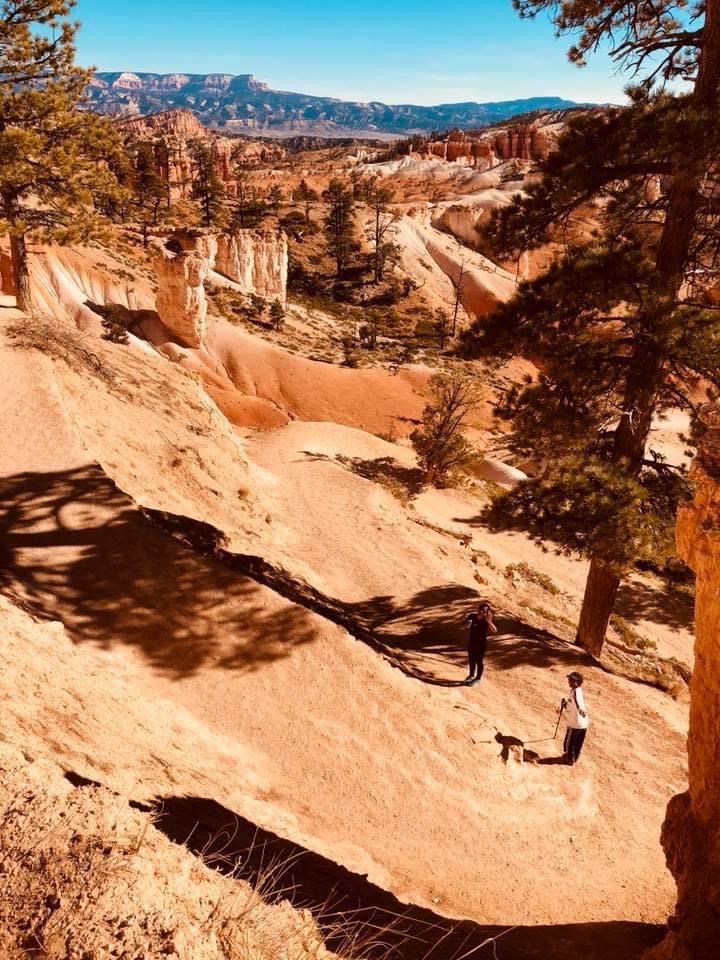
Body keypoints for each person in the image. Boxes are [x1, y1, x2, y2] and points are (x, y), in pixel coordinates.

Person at [463, 602, 497, 684]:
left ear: (486, 613)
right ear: (478, 609)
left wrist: (489, 621)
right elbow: (465, 626)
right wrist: (468, 624)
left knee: (479, 661)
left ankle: (478, 678)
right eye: (481, 610)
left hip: (481, 644)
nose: (481, 612)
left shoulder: (486, 620)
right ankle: (471, 676)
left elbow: (495, 630)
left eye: (484, 611)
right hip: (472, 642)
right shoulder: (472, 616)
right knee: (471, 660)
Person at [561, 671, 589, 764]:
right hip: (583, 723)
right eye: (569, 679)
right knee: (578, 743)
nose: (569, 681)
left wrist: (581, 710)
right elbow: (571, 704)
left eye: (572, 680)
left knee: (570, 742)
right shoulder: (577, 691)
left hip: (575, 723)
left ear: (578, 683)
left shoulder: (575, 692)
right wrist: (565, 704)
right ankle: (574, 758)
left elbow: (578, 703)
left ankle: (569, 758)